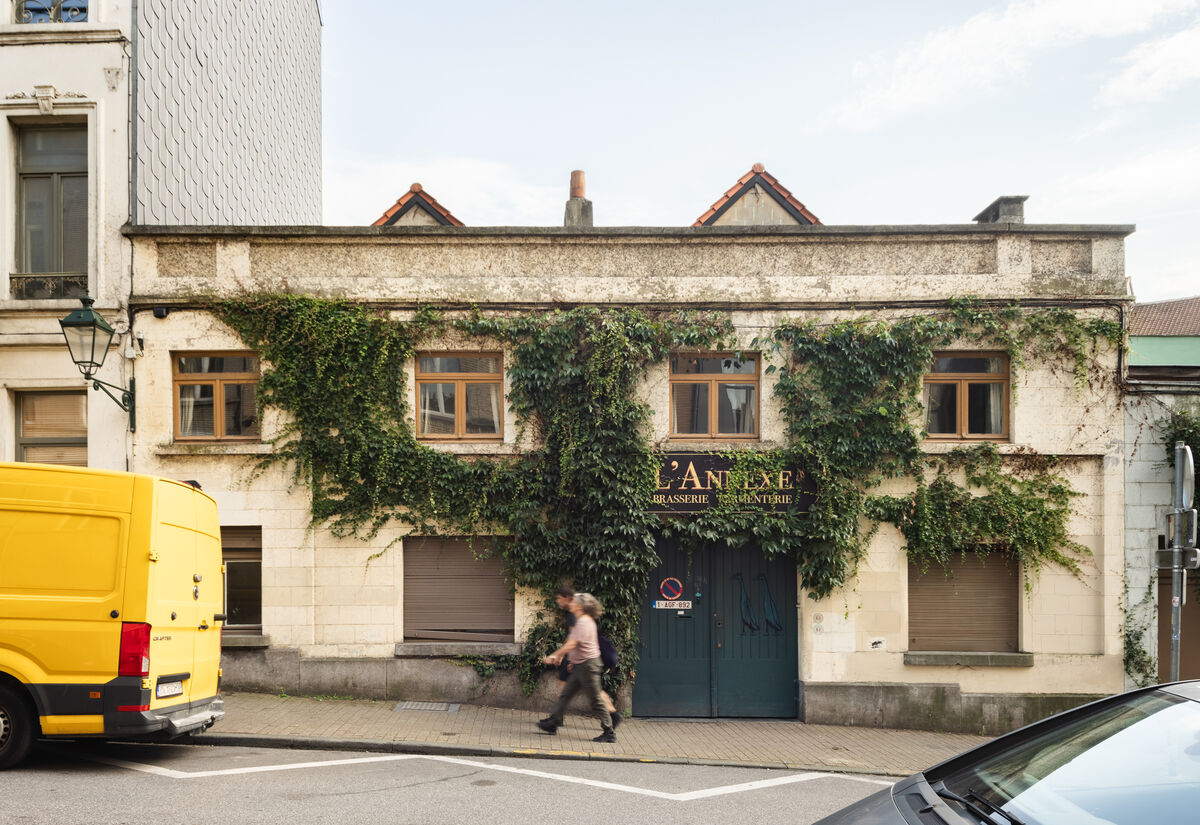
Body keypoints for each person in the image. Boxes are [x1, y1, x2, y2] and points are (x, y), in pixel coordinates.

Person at [537, 592, 616, 742]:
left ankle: (609, 732)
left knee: (596, 700)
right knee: (566, 694)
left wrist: (555, 655)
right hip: (581, 665)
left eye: (574, 602)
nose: (571, 603)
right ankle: (553, 722)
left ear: (580, 606)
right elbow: (578, 645)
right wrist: (572, 661)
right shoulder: (582, 621)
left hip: (588, 666)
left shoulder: (584, 622)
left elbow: (571, 644)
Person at [552, 585, 621, 727]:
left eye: (559, 598)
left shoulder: (575, 613)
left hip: (584, 659)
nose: (557, 602)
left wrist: (562, 656)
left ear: (567, 598)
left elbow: (573, 639)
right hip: (586, 657)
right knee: (585, 688)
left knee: (591, 691)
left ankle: (611, 719)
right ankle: (556, 718)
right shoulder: (580, 614)